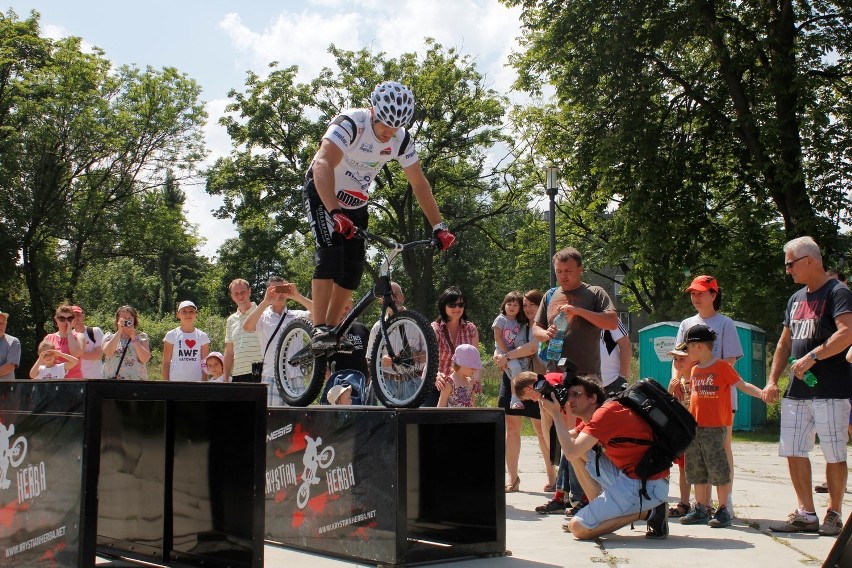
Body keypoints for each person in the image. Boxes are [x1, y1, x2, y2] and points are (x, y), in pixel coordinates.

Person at [302, 80, 454, 352]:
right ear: (373, 111)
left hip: (356, 201)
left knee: (353, 270)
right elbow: (323, 163)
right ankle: (320, 326)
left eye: (396, 127)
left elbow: (419, 184)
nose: (389, 133)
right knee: (330, 254)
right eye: (385, 125)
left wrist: (439, 227)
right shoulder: (350, 124)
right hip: (323, 190)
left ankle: (333, 331)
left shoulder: (401, 139)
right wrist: (334, 211)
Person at [764, 236, 852, 537]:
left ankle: (834, 514)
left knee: (834, 453)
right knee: (793, 450)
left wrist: (812, 357)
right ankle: (806, 513)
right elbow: (785, 341)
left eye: (790, 264)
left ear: (809, 261)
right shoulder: (796, 299)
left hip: (832, 389)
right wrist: (773, 380)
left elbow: (847, 333)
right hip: (797, 392)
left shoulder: (838, 292)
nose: (788, 270)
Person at [538, 374, 670, 540]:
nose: (570, 400)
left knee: (578, 528)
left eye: (576, 395)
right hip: (632, 476)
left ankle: (650, 512)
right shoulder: (595, 415)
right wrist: (546, 412)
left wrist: (557, 415)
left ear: (593, 398)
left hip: (646, 485)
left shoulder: (606, 414)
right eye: (569, 395)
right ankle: (599, 510)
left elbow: (570, 450)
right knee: (578, 451)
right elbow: (558, 445)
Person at [678, 324, 765, 528]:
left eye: (688, 348)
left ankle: (723, 508)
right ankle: (701, 507)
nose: (687, 353)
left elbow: (742, 385)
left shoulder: (722, 367)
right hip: (696, 427)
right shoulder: (696, 370)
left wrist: (761, 394)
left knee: (718, 468)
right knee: (697, 468)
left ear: (699, 347)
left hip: (715, 427)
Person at [676, 275, 743, 513]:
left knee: (721, 450)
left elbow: (731, 359)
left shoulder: (725, 324)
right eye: (693, 293)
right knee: (697, 451)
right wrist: (676, 383)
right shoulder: (686, 324)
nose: (696, 298)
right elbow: (680, 360)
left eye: (701, 293)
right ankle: (701, 504)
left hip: (720, 399)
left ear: (714, 294)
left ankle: (726, 502)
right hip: (694, 400)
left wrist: (705, 374)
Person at [494, 290, 556, 493]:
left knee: (541, 430)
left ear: (541, 307)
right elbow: (500, 343)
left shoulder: (542, 327)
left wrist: (507, 356)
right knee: (511, 429)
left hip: (536, 380)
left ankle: (552, 477)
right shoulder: (515, 324)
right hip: (512, 380)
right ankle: (512, 478)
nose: (528, 309)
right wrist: (498, 356)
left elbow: (532, 348)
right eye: (526, 305)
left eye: (532, 305)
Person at [532, 246, 618, 379]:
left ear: (580, 269)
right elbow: (536, 329)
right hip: (554, 372)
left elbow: (612, 323)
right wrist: (546, 334)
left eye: (568, 271)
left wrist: (579, 311)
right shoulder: (550, 294)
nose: (563, 276)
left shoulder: (595, 292)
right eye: (559, 271)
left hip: (585, 374)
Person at [243, 276, 313, 405]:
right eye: (275, 290)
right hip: (271, 376)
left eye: (283, 289)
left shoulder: (297, 315)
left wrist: (297, 296)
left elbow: (321, 315)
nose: (280, 293)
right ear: (268, 291)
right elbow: (247, 327)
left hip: (295, 376)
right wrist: (265, 302)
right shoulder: (262, 316)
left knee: (297, 421)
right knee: (272, 420)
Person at [428, 286, 480, 407]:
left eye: (461, 305)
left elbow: (475, 359)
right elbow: (429, 361)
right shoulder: (435, 328)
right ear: (443, 306)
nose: (457, 308)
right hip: (438, 385)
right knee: (431, 422)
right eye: (452, 304)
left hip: (460, 386)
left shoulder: (471, 328)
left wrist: (476, 379)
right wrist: (435, 374)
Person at [666, 342, 696, 518]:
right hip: (683, 431)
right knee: (684, 469)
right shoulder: (678, 382)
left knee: (700, 469)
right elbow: (671, 406)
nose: (677, 362)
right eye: (675, 359)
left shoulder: (697, 379)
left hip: (697, 431)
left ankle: (704, 503)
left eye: (681, 358)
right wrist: (670, 391)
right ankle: (684, 502)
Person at [493, 291, 526, 409]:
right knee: (516, 368)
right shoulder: (501, 319)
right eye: (509, 304)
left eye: (515, 305)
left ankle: (516, 398)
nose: (512, 307)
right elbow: (497, 337)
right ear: (504, 305)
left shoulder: (519, 321)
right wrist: (506, 353)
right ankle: (515, 399)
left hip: (512, 353)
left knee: (516, 370)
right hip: (503, 352)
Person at [224, 278, 263, 382]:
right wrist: (225, 378)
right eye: (236, 293)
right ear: (232, 296)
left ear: (249, 291)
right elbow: (229, 352)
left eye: (243, 292)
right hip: (238, 373)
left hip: (260, 370)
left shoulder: (262, 313)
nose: (240, 296)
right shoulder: (231, 320)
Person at [162, 300, 210, 382]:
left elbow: (205, 363)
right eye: (184, 312)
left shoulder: (202, 336)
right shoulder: (171, 335)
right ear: (178, 315)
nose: (188, 314)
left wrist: (204, 383)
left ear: (196, 315)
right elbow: (166, 362)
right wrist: (166, 383)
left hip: (196, 382)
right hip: (175, 381)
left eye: (191, 311)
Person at [102, 305, 151, 380]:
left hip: (136, 382)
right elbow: (108, 352)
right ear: (118, 320)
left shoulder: (142, 337)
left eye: (129, 319)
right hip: (113, 383)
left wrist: (133, 337)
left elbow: (144, 359)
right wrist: (119, 331)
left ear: (134, 320)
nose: (126, 321)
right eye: (124, 319)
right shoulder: (109, 337)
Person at [44, 304, 84, 379]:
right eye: (62, 319)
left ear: (74, 320)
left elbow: (76, 354)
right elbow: (42, 362)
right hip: (54, 381)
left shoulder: (79, 336)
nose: (66, 322)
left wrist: (69, 332)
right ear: (56, 320)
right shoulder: (48, 338)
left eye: (69, 319)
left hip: (74, 381)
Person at [436, 344, 480, 408]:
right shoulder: (449, 383)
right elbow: (440, 407)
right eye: (472, 366)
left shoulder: (470, 382)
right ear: (461, 364)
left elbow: (473, 407)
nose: (475, 368)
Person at [71, 305, 104, 380]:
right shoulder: (69, 336)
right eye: (73, 316)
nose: (76, 318)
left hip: (95, 378)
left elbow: (98, 355)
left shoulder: (95, 331)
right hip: (76, 379)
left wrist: (76, 354)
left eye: (78, 315)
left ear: (83, 316)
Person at [600, 320, 631, 394]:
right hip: (585, 385)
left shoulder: (609, 317)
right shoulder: (575, 317)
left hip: (612, 383)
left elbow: (626, 344)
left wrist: (622, 377)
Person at [0, 309, 21, 381]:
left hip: (5, 388)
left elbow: (10, 366)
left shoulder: (13, 342)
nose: (1, 326)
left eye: (3, 323)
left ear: (6, 324)